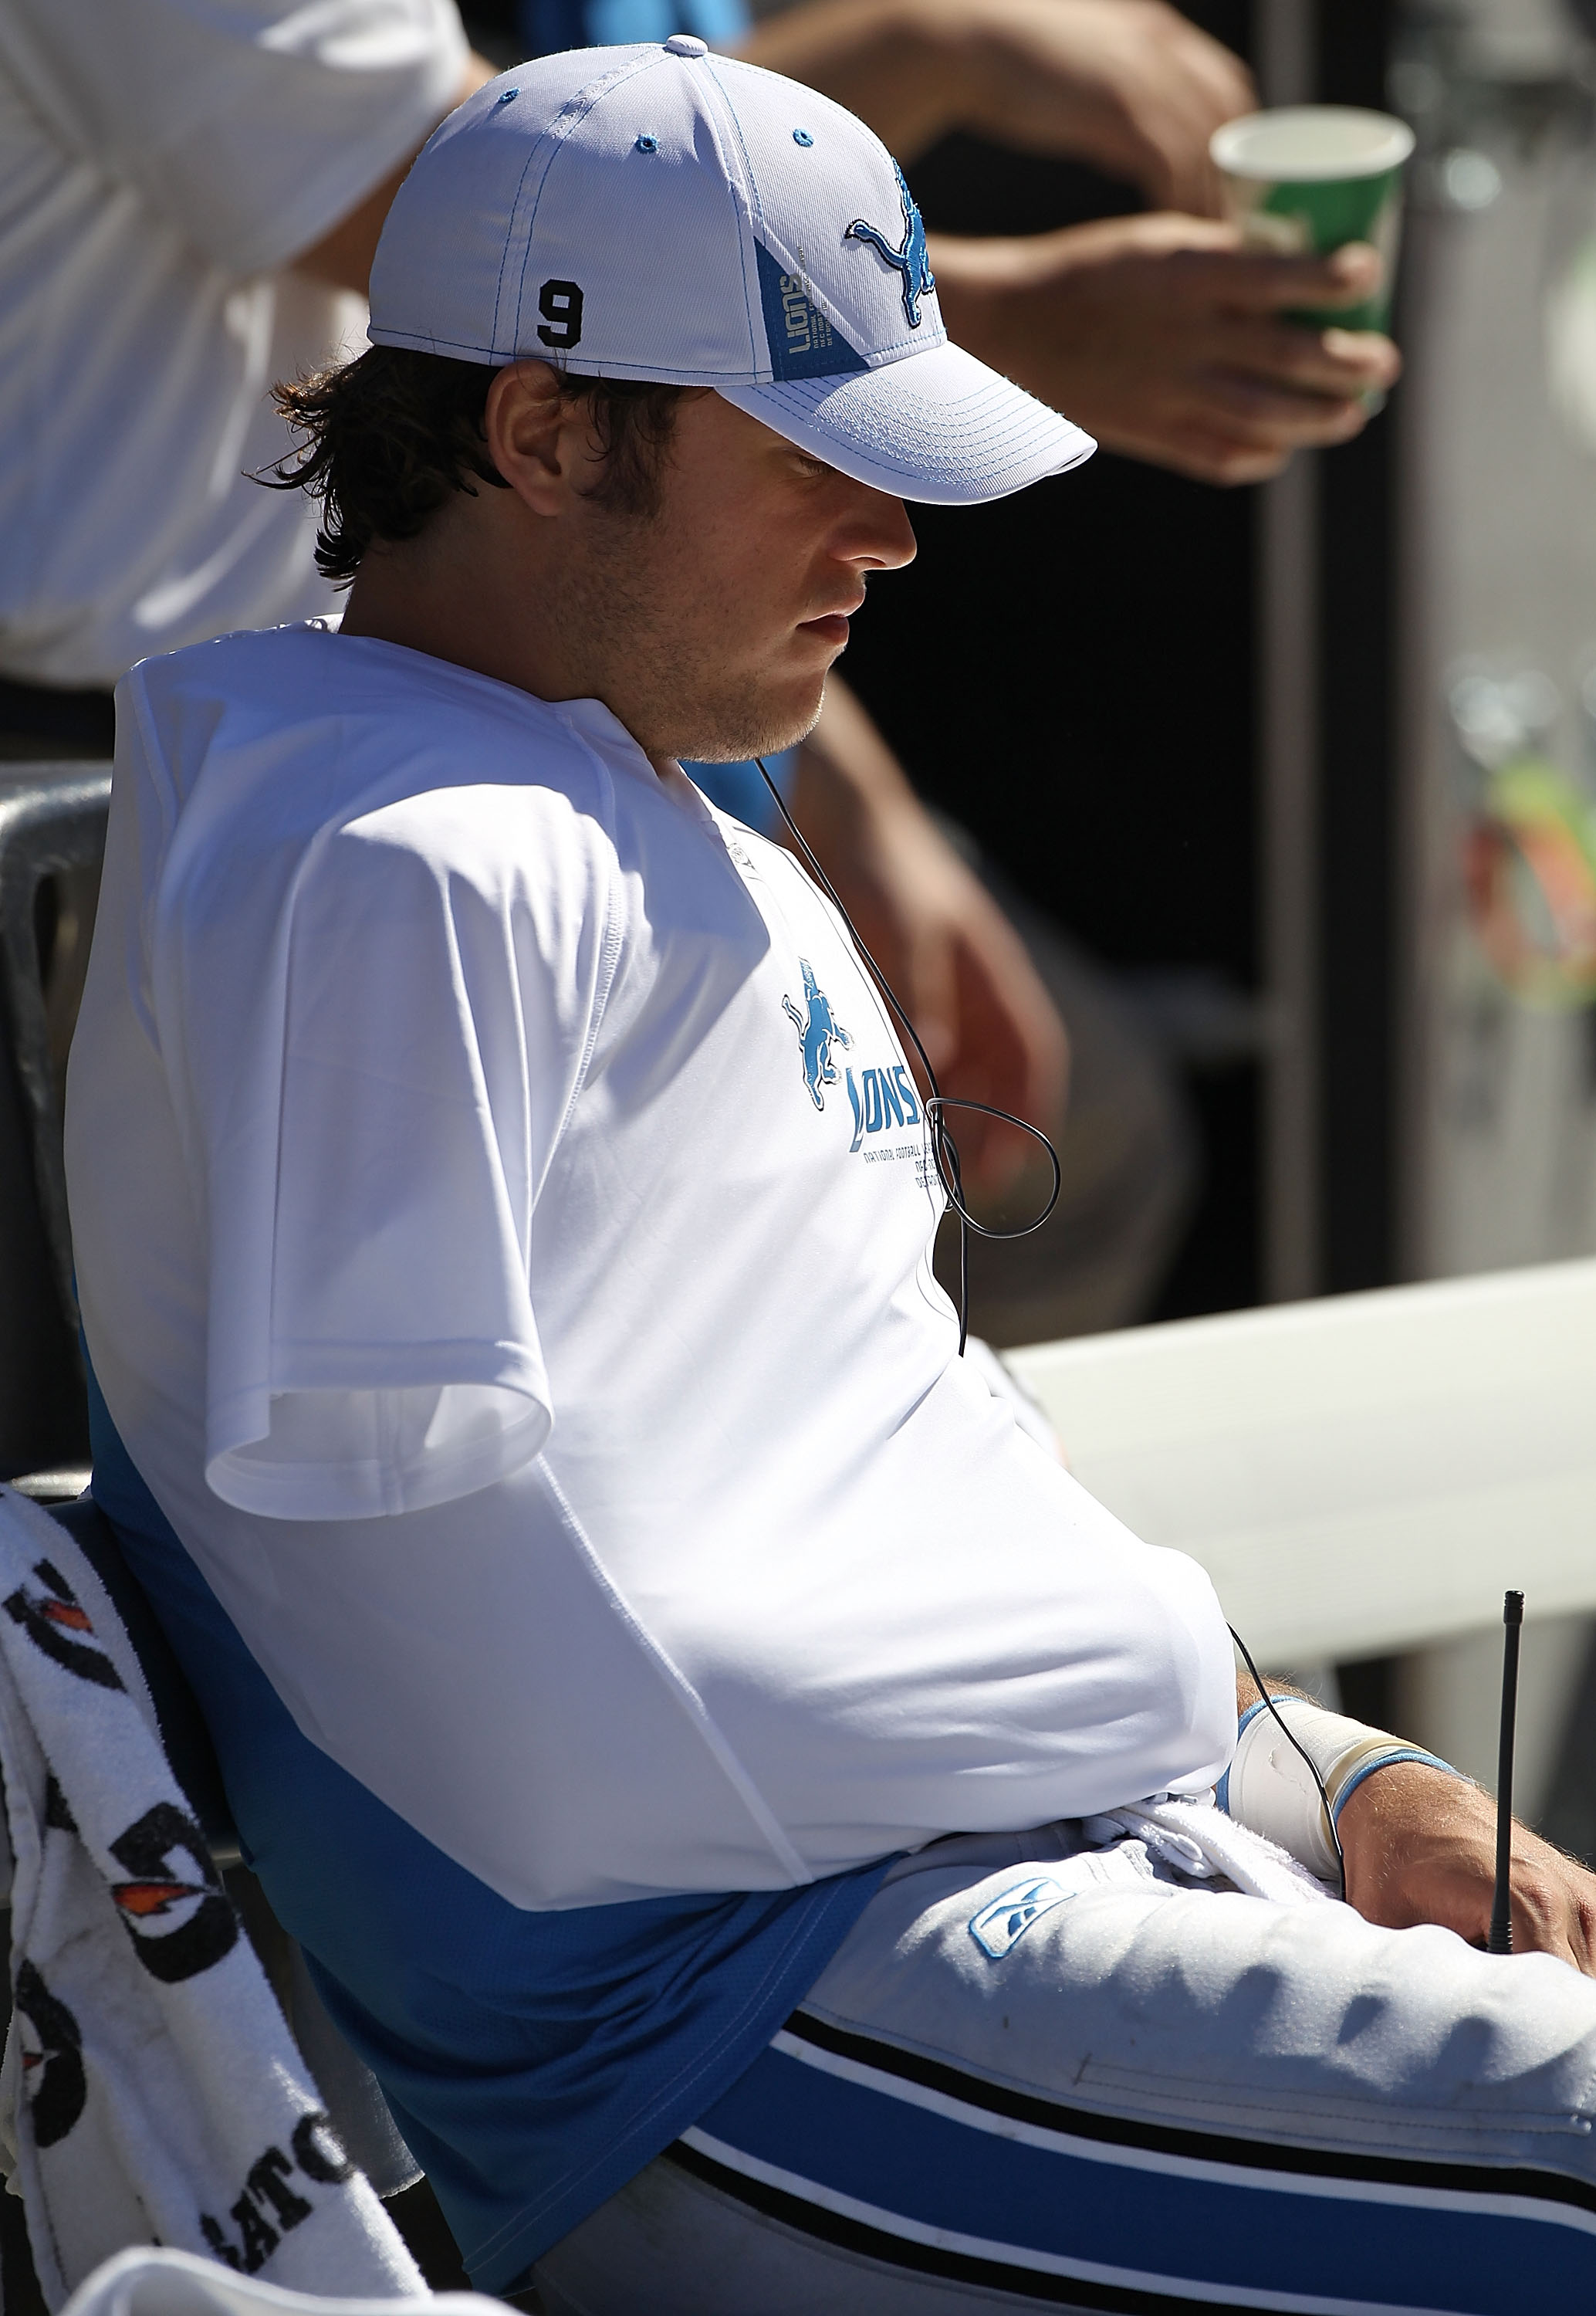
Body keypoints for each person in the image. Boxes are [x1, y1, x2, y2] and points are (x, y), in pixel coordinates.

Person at [66, 44, 1596, 2309]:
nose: (889, 541)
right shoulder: (400, 861)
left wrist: (1324, 1775)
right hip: (753, 2030)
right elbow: (496, 1732)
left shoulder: (642, 820)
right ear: (543, 430)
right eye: (818, 461)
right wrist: (1167, 1724)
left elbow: (906, 1451)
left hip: (967, 1927)